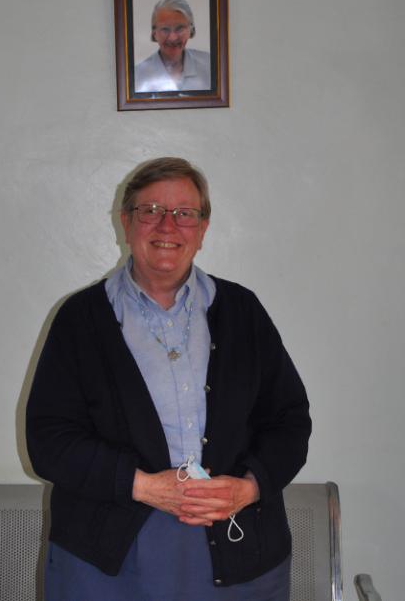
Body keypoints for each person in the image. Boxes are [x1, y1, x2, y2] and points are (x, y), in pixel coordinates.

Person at [26, 157, 311, 601]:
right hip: (105, 552)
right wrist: (144, 486)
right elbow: (48, 440)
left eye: (184, 213)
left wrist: (249, 487)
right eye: (150, 210)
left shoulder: (244, 311)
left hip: (237, 539)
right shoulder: (78, 320)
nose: (167, 225)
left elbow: (290, 421)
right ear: (126, 221)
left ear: (203, 228)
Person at [134, 0, 211, 93]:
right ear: (154, 33)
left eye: (179, 28)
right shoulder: (136, 75)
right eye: (165, 29)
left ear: (191, 30)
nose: (172, 37)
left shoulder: (210, 65)